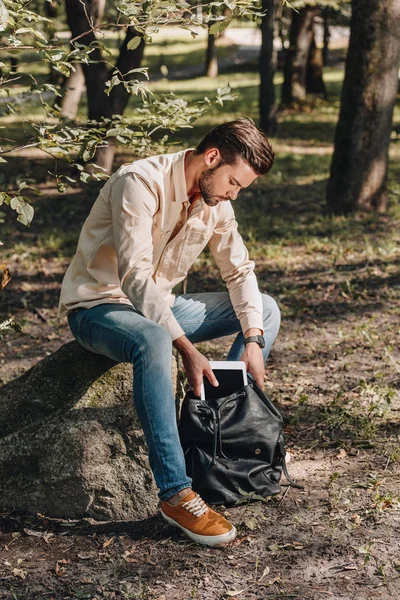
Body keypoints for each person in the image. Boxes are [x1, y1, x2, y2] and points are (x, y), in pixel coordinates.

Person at [58, 118, 280, 547]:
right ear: (212, 157)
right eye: (234, 182)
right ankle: (176, 493)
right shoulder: (138, 182)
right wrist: (184, 346)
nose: (234, 193)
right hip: (99, 307)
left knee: (264, 310)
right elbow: (134, 274)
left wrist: (252, 340)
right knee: (155, 339)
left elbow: (239, 270)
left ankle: (220, 439)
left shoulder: (214, 201)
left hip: (160, 304)